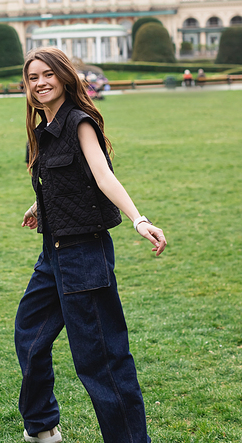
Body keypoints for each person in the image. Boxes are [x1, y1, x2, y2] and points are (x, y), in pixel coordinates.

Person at [15, 47, 167, 443]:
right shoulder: (42, 128)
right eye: (33, 77)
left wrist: (139, 219)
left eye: (48, 74)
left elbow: (102, 176)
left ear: (65, 77)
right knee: (29, 336)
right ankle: (42, 428)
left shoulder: (79, 122)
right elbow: (66, 179)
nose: (40, 83)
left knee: (101, 363)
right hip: (53, 254)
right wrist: (39, 205)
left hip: (85, 256)